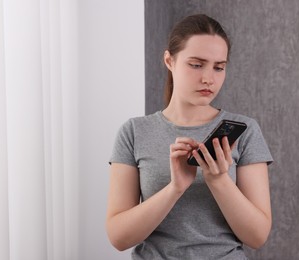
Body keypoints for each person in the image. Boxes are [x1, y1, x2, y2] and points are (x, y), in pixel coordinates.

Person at [106, 14, 273, 260]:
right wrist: (175, 188)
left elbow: (257, 236)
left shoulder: (246, 131)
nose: (209, 78)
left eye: (219, 67)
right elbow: (119, 237)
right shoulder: (133, 132)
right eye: (196, 64)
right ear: (169, 60)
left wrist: (218, 180)